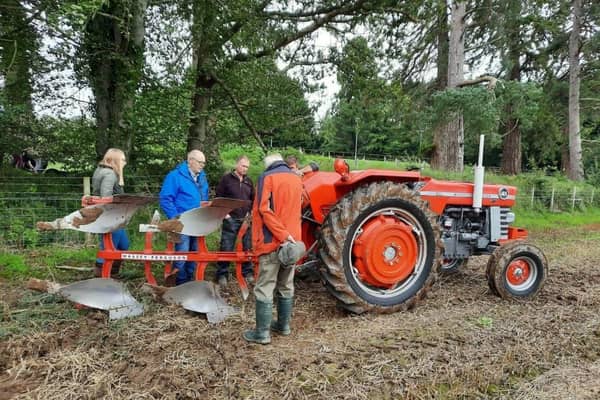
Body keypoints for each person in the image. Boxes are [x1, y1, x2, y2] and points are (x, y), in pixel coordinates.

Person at [243, 153, 304, 345]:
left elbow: (263, 209)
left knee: (264, 287)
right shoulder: (296, 178)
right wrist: (290, 238)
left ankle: (262, 334)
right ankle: (283, 326)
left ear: (267, 165)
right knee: (286, 284)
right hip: (293, 245)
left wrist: (282, 234)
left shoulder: (267, 178)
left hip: (272, 242)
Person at [159, 149, 209, 285]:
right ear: (190, 161)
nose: (202, 165)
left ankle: (190, 280)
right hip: (182, 222)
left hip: (198, 221)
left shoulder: (202, 177)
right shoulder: (175, 176)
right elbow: (165, 199)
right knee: (182, 252)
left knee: (195, 251)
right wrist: (175, 218)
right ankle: (180, 282)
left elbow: (204, 198)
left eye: (204, 163)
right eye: (200, 162)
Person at [215, 155, 255, 286]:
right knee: (226, 247)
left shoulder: (249, 181)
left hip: (246, 219)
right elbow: (219, 199)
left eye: (247, 167)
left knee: (247, 247)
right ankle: (222, 274)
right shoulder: (226, 180)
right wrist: (226, 216)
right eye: (243, 166)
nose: (245, 169)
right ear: (237, 164)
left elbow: (253, 200)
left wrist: (251, 214)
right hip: (230, 218)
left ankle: (247, 272)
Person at [93, 148, 130, 277]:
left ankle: (113, 274)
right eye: (123, 160)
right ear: (115, 160)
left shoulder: (104, 171)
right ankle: (101, 276)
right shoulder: (109, 174)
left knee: (124, 244)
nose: (125, 163)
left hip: (114, 215)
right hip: (110, 215)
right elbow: (106, 197)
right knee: (109, 248)